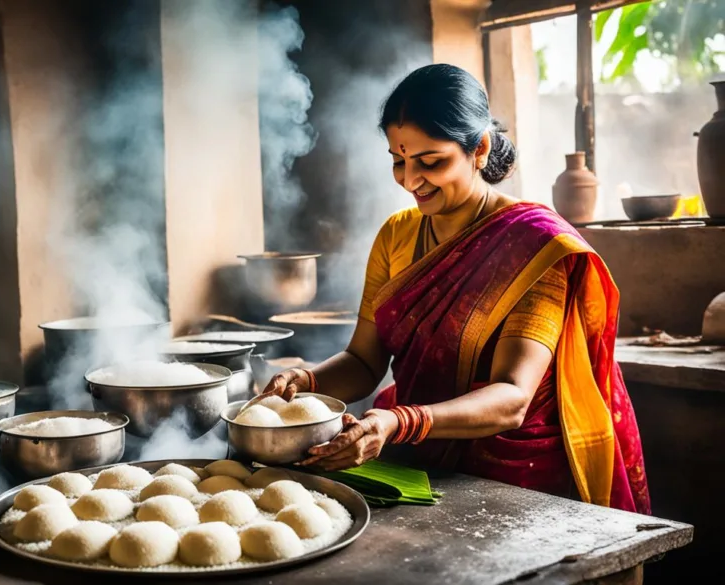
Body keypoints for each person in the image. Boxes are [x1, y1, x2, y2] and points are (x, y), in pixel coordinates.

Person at [261, 63, 650, 514]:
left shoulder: (534, 245)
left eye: (430, 162)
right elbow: (365, 361)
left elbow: (512, 398)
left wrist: (400, 421)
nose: (410, 181)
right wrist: (304, 381)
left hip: (521, 474)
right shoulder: (397, 235)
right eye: (397, 160)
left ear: (479, 148)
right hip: (418, 459)